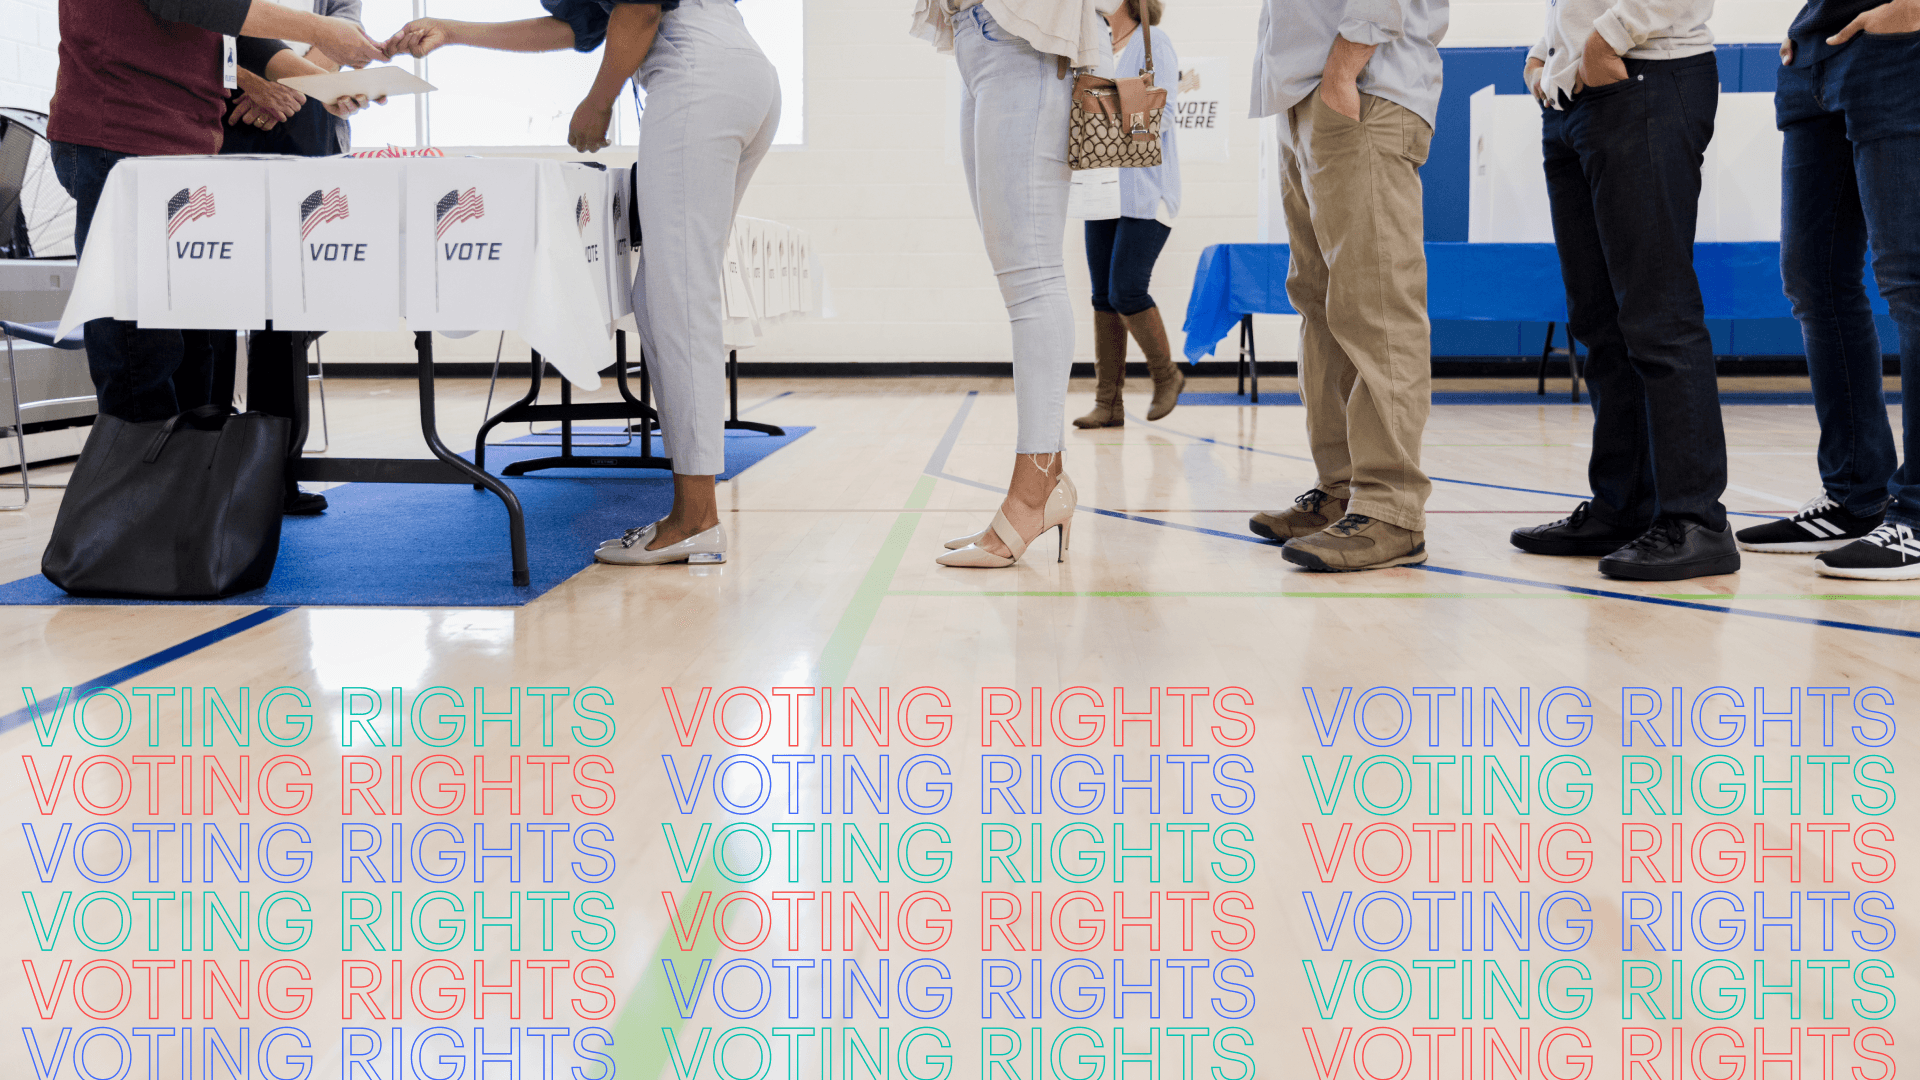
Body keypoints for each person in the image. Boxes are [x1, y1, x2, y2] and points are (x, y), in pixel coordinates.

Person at [386, 0, 780, 566]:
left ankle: (696, 518)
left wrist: (598, 102)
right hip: (734, 72)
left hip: (696, 71)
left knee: (677, 296)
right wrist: (452, 31)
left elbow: (640, 10)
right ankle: (692, 512)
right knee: (667, 294)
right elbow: (579, 27)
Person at [48, 0, 384, 424]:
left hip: (183, 143)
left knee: (195, 342)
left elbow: (226, 33)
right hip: (123, 135)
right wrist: (320, 30)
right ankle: (145, 482)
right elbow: (210, 6)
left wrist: (318, 82)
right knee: (142, 347)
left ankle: (196, 477)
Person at [1506, 0, 1737, 581]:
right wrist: (1545, 51)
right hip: (1572, 97)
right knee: (1600, 321)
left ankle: (1696, 523)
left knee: (1659, 314)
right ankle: (1623, 507)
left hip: (1644, 77)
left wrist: (1602, 42)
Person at [1244, 0, 1446, 572]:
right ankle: (1341, 489)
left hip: (1362, 83)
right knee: (1320, 302)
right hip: (1306, 92)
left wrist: (1343, 68)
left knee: (1376, 301)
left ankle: (1391, 509)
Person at [916, 0, 1112, 569]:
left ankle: (1035, 493)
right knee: (1021, 277)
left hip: (1025, 38)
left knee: (1032, 277)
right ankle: (1041, 487)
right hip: (981, 38)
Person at [1729, 2, 1920, 580]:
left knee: (1910, 282)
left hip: (1897, 49)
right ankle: (1856, 495)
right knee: (1814, 279)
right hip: (1816, 52)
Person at [213, 0, 382, 515]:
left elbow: (345, 27)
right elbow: (205, 27)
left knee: (285, 318)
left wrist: (293, 87)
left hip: (308, 127)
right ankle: (207, 471)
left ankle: (276, 474)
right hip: (223, 117)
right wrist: (251, 82)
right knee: (208, 306)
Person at [1073, 0, 1184, 430]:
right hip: (1100, 189)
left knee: (1126, 291)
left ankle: (1167, 375)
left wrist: (1107, 107)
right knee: (1102, 295)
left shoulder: (1156, 44)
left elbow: (1167, 115)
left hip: (1146, 191)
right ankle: (1108, 404)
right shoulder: (1093, 45)